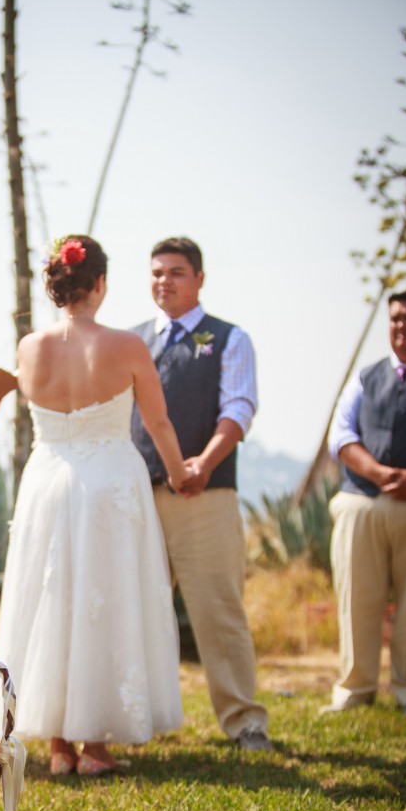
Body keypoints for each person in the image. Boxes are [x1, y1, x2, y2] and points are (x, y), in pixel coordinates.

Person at [0, 235, 188, 776]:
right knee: (107, 600)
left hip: (48, 482)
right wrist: (178, 471)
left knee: (52, 600)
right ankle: (96, 748)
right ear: (99, 283)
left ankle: (58, 747)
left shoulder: (30, 348)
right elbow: (158, 422)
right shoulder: (126, 346)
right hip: (109, 483)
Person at [131, 236, 272, 751]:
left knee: (218, 607)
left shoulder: (230, 339)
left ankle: (245, 720)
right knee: (136, 608)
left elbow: (239, 408)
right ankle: (132, 721)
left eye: (176, 272)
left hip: (204, 496)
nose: (163, 281)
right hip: (138, 495)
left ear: (200, 279)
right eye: (156, 272)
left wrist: (203, 463)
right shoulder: (131, 340)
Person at [326, 288, 406, 715]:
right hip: (361, 502)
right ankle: (355, 688)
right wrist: (380, 474)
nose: (403, 327)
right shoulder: (367, 377)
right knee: (357, 600)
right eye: (397, 318)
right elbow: (342, 435)